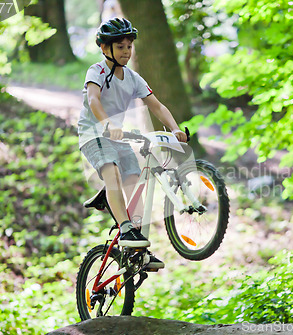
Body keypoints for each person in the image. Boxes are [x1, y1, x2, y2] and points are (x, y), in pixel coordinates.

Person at [78, 18, 187, 270]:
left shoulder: (133, 78)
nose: (126, 51)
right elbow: (94, 100)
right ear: (105, 49)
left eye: (129, 46)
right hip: (94, 133)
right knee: (112, 170)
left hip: (119, 137)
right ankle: (125, 227)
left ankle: (136, 245)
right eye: (120, 47)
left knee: (136, 181)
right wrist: (107, 124)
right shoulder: (97, 71)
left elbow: (156, 105)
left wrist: (174, 129)